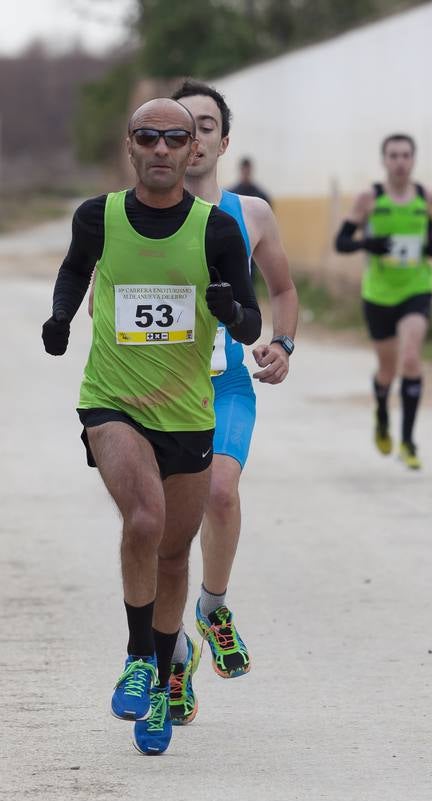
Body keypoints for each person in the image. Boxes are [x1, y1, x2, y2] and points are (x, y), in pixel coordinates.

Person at [41, 98, 261, 755]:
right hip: (112, 402)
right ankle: (140, 657)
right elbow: (75, 270)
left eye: (176, 137)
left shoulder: (215, 231)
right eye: (149, 137)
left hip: (188, 412)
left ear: (195, 146)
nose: (163, 149)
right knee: (143, 519)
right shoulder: (98, 217)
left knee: (172, 554)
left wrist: (232, 310)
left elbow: (249, 320)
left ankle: (165, 680)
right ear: (130, 147)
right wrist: (60, 317)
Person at [167, 79, 298, 725]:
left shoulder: (251, 214)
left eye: (206, 125)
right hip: (160, 388)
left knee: (220, 493)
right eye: (180, 127)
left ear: (223, 140)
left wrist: (284, 345)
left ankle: (212, 608)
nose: (194, 138)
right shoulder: (139, 213)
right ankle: (170, 655)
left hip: (225, 385)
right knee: (161, 527)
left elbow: (283, 292)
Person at [335, 133, 432, 470]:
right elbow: (341, 242)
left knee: (411, 358)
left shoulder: (426, 196)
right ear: (384, 161)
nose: (400, 162)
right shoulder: (369, 198)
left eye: (406, 155)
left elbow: (431, 238)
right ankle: (382, 412)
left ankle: (409, 442)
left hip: (417, 288)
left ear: (414, 159)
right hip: (379, 294)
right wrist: (369, 244)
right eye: (393, 155)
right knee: (387, 370)